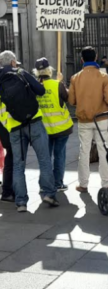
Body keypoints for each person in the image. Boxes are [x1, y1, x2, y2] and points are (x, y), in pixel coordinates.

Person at [0, 51, 59, 212]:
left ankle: (21, 202)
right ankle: (49, 193)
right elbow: (40, 90)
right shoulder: (21, 72)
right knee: (44, 159)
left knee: (18, 165)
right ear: (13, 62)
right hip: (34, 121)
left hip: (14, 127)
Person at [68, 46, 108, 193]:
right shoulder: (103, 76)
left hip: (84, 120)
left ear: (82, 59)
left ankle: (83, 184)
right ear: (95, 58)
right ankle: (106, 183)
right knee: (103, 150)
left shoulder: (75, 77)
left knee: (84, 152)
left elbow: (71, 101)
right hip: (101, 118)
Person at [33, 58, 73, 192]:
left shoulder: (33, 86)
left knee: (45, 158)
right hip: (61, 128)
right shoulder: (57, 85)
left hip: (43, 129)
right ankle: (57, 183)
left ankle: (44, 184)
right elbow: (68, 99)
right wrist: (61, 81)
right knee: (59, 155)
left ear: (36, 72)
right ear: (49, 70)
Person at [0, 122, 14, 202]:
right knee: (10, 159)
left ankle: (8, 191)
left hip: (6, 127)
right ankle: (7, 192)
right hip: (7, 127)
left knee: (10, 158)